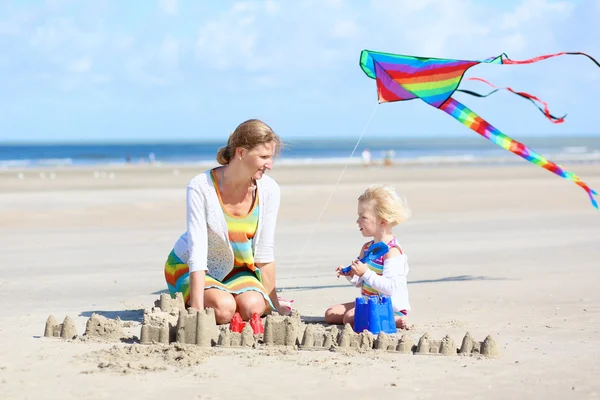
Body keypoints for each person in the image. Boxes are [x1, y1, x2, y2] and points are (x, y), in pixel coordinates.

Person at [164, 119, 290, 324]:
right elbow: (197, 252)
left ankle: (232, 299)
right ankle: (217, 300)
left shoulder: (269, 190)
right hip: (190, 266)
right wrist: (197, 309)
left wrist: (274, 305)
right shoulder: (200, 187)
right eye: (264, 157)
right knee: (223, 310)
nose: (270, 165)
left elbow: (264, 253)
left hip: (239, 270)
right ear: (240, 153)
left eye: (271, 157)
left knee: (254, 309)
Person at [324, 184, 412, 329]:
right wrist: (351, 273)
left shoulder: (392, 251)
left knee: (349, 318)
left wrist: (365, 272)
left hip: (388, 305)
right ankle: (376, 318)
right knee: (331, 314)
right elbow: (360, 282)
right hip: (368, 301)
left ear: (383, 221)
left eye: (363, 217)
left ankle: (394, 320)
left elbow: (391, 288)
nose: (357, 222)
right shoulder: (366, 248)